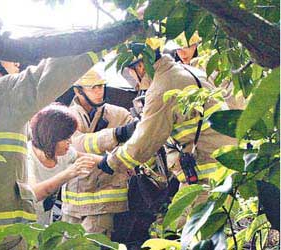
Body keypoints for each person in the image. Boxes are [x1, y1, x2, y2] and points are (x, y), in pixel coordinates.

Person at [0, 51, 105, 249]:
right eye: (8, 55)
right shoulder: (1, 91)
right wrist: (100, 42)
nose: (17, 62)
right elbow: (51, 74)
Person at [97, 47, 237, 226]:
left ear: (140, 66)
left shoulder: (162, 87)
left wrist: (110, 162)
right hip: (224, 170)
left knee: (182, 231)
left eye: (130, 73)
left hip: (205, 177)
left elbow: (144, 143)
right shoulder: (186, 71)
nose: (133, 81)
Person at [61, 69, 139, 237]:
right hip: (73, 203)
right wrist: (116, 134)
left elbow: (134, 149)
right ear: (78, 90)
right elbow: (75, 145)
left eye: (101, 86)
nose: (99, 92)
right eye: (93, 87)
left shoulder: (120, 115)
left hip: (105, 201)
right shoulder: (66, 116)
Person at [27, 104, 98, 226]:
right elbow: (33, 194)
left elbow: (92, 159)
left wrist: (119, 163)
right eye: (66, 138)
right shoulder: (27, 156)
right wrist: (68, 173)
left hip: (43, 223)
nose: (70, 142)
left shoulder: (64, 153)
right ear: (51, 137)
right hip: (23, 226)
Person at [166, 32, 246, 110]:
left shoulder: (209, 64)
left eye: (186, 47)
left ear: (195, 45)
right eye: (178, 49)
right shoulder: (179, 68)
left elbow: (234, 99)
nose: (182, 53)